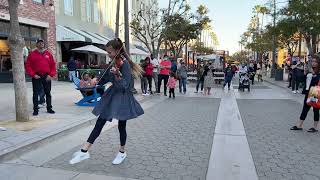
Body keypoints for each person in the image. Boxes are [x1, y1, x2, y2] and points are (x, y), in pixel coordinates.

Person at [70, 38, 144, 165]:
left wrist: (117, 75)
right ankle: (84, 151)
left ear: (117, 50)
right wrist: (96, 80)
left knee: (122, 125)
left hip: (123, 97)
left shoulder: (125, 64)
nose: (108, 54)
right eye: (107, 52)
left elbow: (125, 85)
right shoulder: (114, 62)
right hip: (112, 95)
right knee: (100, 121)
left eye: (110, 52)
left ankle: (122, 152)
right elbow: (105, 77)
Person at [25, 39, 56, 116]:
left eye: (42, 43)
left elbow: (53, 65)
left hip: (46, 76)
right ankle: (35, 110)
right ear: (37, 45)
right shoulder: (32, 54)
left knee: (48, 93)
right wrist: (33, 75)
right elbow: (28, 66)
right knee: (35, 93)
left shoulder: (48, 54)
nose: (41, 44)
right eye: (39, 43)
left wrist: (51, 75)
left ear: (44, 44)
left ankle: (49, 108)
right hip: (36, 76)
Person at [290, 55, 320, 133]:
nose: (313, 63)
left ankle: (315, 127)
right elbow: (301, 79)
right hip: (308, 92)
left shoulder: (318, 72)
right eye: (312, 61)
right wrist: (303, 72)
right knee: (305, 109)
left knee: (316, 110)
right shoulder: (309, 70)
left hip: (315, 92)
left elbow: (317, 81)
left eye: (315, 62)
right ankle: (299, 125)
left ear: (318, 63)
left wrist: (314, 74)